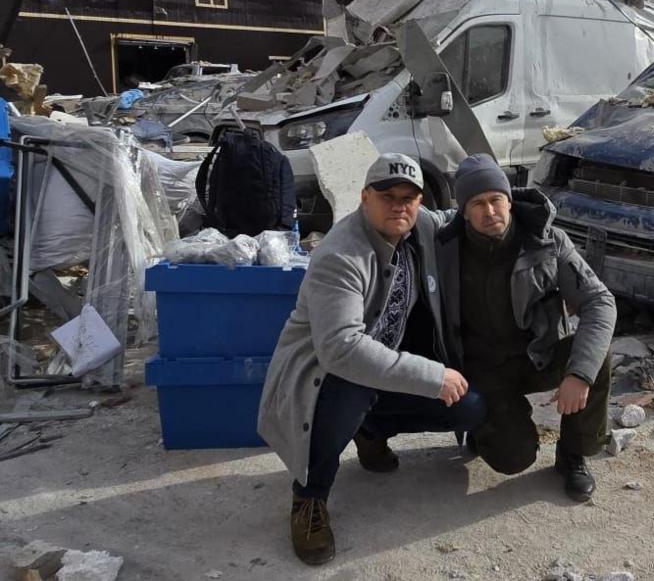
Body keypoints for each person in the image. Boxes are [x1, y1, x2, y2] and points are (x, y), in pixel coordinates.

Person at [257, 153, 485, 566]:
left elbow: (469, 211)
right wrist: (433, 375)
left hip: (381, 368)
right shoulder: (340, 255)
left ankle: (371, 430)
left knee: (469, 407)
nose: (399, 205)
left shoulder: (422, 227)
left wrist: (516, 205)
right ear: (365, 198)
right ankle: (309, 496)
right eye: (387, 196)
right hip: (323, 378)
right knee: (354, 385)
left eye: (409, 197)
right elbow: (342, 349)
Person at [436, 153, 616, 502]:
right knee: (513, 458)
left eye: (495, 200)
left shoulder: (548, 242)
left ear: (510, 201)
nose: (489, 211)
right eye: (477, 203)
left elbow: (599, 302)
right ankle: (486, 424)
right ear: (463, 211)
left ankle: (573, 454)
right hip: (484, 370)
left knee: (595, 354)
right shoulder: (444, 249)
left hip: (539, 355)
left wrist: (579, 374)